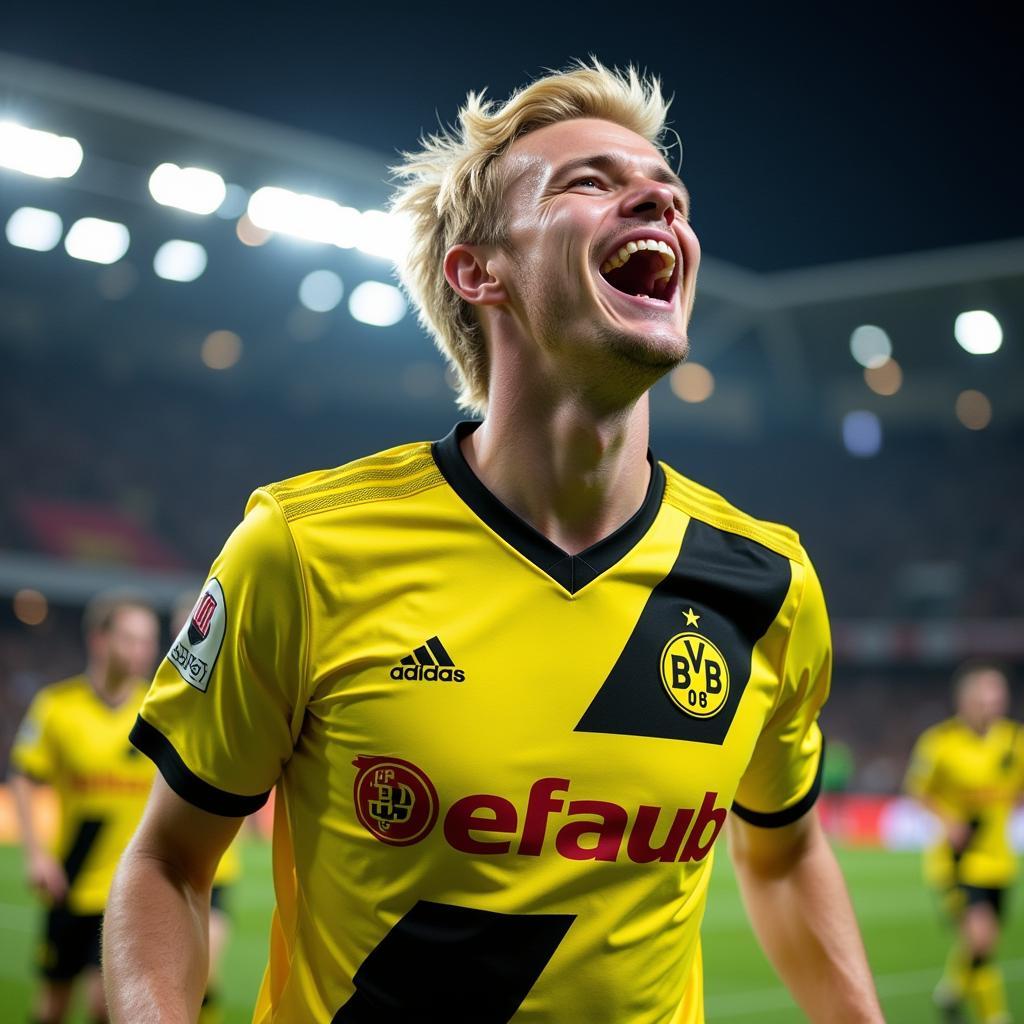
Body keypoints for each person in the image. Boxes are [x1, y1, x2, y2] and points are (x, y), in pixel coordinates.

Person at [103, 61, 884, 1023]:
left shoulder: (766, 583)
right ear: (479, 271)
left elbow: (788, 850)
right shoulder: (304, 550)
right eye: (588, 182)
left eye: (669, 194)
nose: (660, 199)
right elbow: (170, 863)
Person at [9, 592, 159, 1024]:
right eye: (130, 638)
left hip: (129, 887)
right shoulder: (57, 706)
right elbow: (22, 773)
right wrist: (36, 854)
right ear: (99, 640)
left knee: (104, 1005)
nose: (142, 651)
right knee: (51, 1007)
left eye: (148, 640)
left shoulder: (159, 710)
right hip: (71, 878)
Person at [905, 662, 1022, 1024]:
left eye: (999, 695)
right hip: (957, 861)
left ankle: (952, 991)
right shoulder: (940, 743)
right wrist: (949, 820)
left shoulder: (1014, 741)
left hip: (999, 860)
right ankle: (994, 1015)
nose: (994, 702)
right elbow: (917, 791)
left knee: (979, 943)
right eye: (986, 694)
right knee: (981, 940)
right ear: (966, 700)